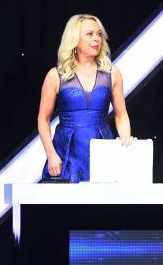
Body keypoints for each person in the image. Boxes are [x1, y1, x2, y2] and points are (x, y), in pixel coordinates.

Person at [38, 14, 134, 183]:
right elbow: (43, 118)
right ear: (74, 39)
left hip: (102, 148)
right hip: (66, 152)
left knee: (103, 205)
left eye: (99, 34)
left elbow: (121, 114)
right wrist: (51, 154)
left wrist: (125, 138)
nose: (96, 39)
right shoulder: (56, 75)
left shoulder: (112, 73)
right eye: (89, 34)